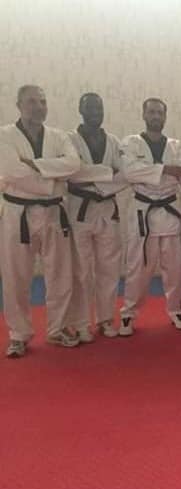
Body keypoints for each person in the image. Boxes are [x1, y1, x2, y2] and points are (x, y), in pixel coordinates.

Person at [0, 85, 82, 357]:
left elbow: (73, 164)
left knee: (60, 273)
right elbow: (12, 170)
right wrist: (52, 179)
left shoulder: (59, 136)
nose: (39, 107)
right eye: (32, 101)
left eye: (43, 102)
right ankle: (18, 334)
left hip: (53, 213)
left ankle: (58, 328)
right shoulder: (4, 135)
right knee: (15, 276)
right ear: (19, 105)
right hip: (18, 213)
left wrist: (35, 165)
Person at [118, 98, 181, 336]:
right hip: (143, 210)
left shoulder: (176, 145)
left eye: (160, 112)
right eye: (151, 112)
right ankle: (128, 313)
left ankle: (176, 309)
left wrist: (149, 172)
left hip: (169, 209)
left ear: (165, 116)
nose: (156, 116)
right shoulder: (131, 143)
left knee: (174, 266)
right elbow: (129, 172)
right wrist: (165, 170)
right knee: (138, 266)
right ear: (144, 114)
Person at [66, 92, 128, 342]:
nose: (95, 112)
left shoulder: (112, 141)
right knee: (81, 270)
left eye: (99, 108)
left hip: (107, 209)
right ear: (80, 110)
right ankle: (81, 323)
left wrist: (91, 176)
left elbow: (124, 175)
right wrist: (105, 172)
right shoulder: (69, 140)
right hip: (79, 210)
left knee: (109, 268)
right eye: (90, 108)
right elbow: (72, 173)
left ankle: (105, 319)